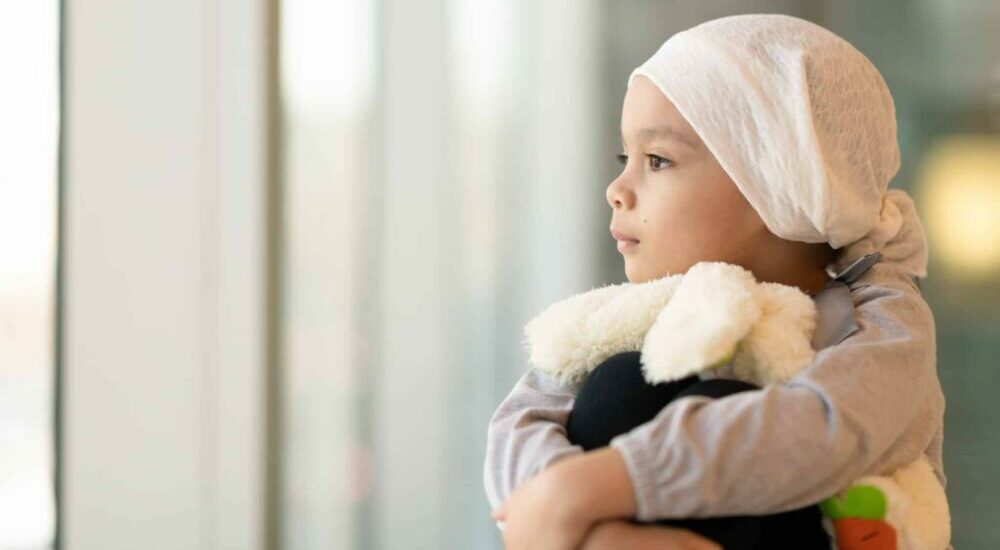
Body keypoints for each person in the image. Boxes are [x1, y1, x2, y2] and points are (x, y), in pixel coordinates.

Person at [483, 13, 949, 550]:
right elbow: (523, 418)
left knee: (708, 398)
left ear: (778, 182)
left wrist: (616, 481)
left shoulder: (881, 318)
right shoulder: (645, 311)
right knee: (618, 388)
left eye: (656, 160)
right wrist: (567, 506)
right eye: (624, 158)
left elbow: (822, 427)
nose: (616, 188)